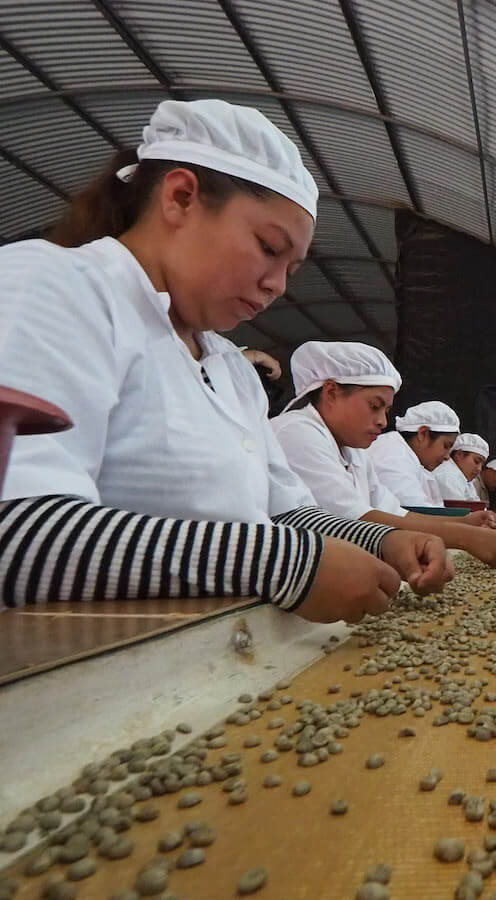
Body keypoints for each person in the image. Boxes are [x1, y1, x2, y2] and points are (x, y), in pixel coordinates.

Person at [0, 99, 451, 622]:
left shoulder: (230, 368)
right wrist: (282, 564)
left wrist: (385, 541)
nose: (277, 285)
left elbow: (287, 511)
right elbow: (18, 532)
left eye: (293, 269)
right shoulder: (52, 286)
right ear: (181, 196)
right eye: (267, 247)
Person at [270, 342, 496, 568]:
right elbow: (350, 518)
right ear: (332, 392)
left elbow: (395, 512)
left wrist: (468, 524)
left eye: (386, 410)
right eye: (375, 406)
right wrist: (463, 535)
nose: (382, 421)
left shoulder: (353, 450)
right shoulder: (297, 432)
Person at [368, 401, 459, 508]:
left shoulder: (412, 459)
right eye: (446, 446)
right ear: (423, 433)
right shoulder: (394, 456)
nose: (447, 457)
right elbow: (415, 511)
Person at [435, 433, 488, 502]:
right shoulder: (448, 476)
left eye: (482, 465)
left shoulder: (465, 480)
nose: (479, 469)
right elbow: (458, 510)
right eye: (477, 461)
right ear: (459, 455)